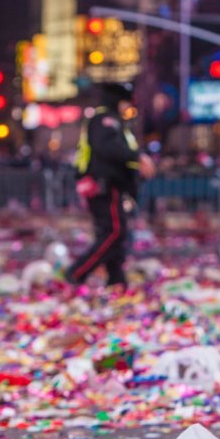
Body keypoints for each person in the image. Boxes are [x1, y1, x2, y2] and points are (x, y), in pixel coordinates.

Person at [64, 82, 151, 288]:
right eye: (125, 103)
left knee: (115, 236)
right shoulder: (105, 120)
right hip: (104, 186)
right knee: (114, 232)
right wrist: (138, 158)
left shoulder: (113, 122)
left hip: (110, 186)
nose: (127, 107)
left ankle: (116, 280)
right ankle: (77, 272)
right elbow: (109, 149)